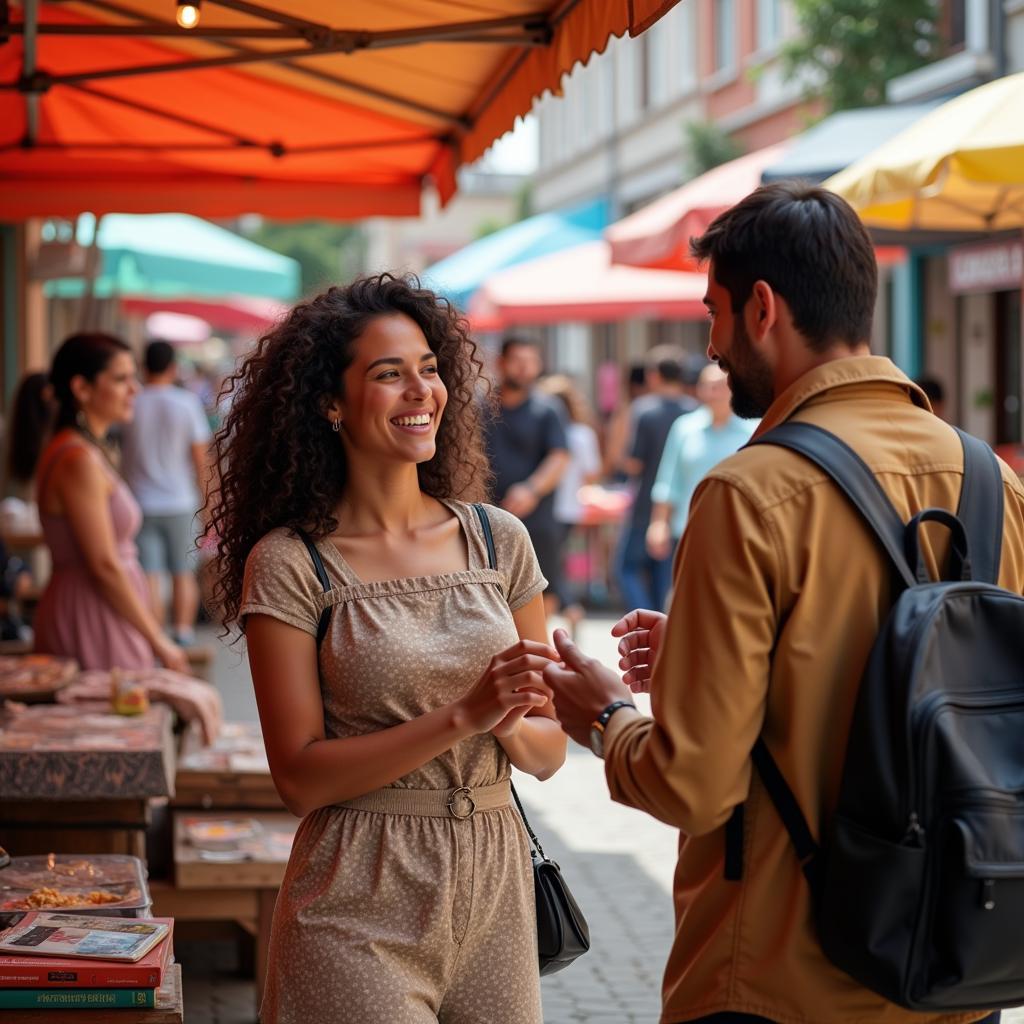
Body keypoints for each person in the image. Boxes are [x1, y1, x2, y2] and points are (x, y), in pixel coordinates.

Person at [540, 182, 1023, 1024]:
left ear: (763, 308)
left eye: (715, 313)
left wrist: (605, 716)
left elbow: (694, 787)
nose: (713, 346)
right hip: (956, 964)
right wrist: (705, 655)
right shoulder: (992, 479)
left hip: (780, 973)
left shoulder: (749, 494)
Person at [207, 274, 566, 1024]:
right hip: (357, 896)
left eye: (430, 369)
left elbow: (546, 750)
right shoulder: (290, 561)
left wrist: (503, 718)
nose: (421, 391)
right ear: (329, 403)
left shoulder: (499, 539)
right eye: (389, 373)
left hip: (496, 883)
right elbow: (299, 778)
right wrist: (465, 713)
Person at [28, 334, 188, 673]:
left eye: (134, 377)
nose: (135, 389)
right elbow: (103, 564)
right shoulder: (77, 459)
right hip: (92, 614)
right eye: (120, 379)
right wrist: (159, 639)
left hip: (104, 610)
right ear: (82, 388)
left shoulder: (82, 451)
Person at [121, 340, 212, 646]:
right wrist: (208, 503)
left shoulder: (131, 402)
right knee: (183, 573)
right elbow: (201, 460)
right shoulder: (186, 403)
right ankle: (183, 635)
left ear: (143, 367)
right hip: (180, 501)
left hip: (139, 503)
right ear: (173, 367)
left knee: (149, 575)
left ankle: (156, 639)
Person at [482, 336, 570, 617]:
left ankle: (542, 652)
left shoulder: (548, 409)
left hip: (537, 518)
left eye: (531, 362)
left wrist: (531, 490)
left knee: (544, 589)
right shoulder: (479, 406)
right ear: (502, 363)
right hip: (487, 516)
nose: (524, 368)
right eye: (517, 361)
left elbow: (559, 457)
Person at [646, 362, 756, 561]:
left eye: (720, 386)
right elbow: (669, 480)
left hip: (740, 534)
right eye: (708, 386)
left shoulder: (753, 430)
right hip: (691, 531)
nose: (713, 393)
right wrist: (659, 524)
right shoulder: (684, 428)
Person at [616, 345, 697, 613]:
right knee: (666, 576)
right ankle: (660, 622)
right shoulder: (694, 412)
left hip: (645, 504)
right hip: (681, 505)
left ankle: (645, 616)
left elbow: (634, 463)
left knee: (626, 568)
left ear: (654, 375)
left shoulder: (644, 410)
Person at [537, 374, 602, 624]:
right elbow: (592, 473)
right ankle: (569, 609)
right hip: (571, 508)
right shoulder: (583, 434)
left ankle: (568, 608)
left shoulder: (549, 431)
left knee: (548, 568)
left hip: (548, 509)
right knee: (554, 564)